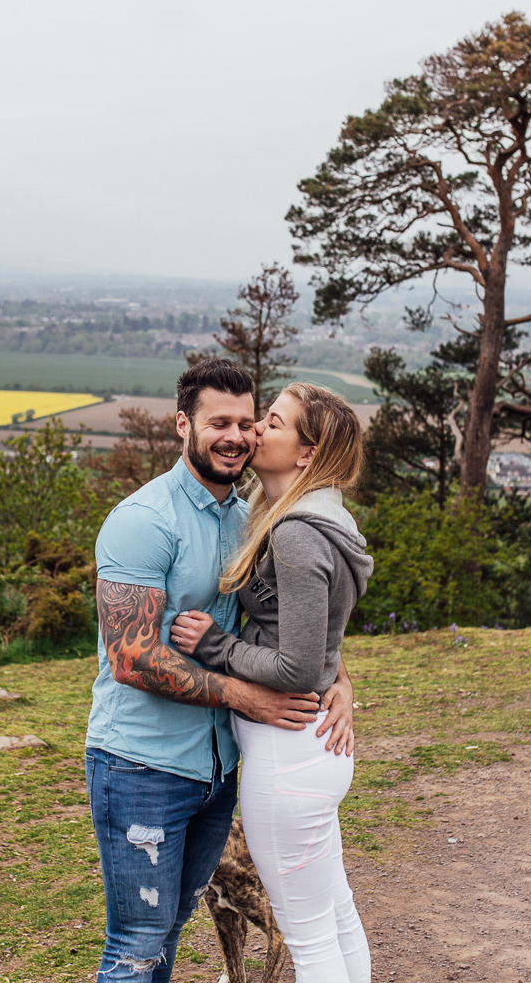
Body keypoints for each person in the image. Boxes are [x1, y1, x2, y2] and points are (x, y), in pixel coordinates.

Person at [86, 358, 356, 983]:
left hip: (219, 768)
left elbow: (297, 623)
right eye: (218, 422)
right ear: (184, 424)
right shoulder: (142, 522)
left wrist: (338, 681)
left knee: (171, 924)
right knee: (137, 940)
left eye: (247, 421)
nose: (236, 435)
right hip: (142, 763)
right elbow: (132, 657)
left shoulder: (253, 514)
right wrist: (247, 696)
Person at [170, 382, 372, 983]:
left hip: (289, 757)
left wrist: (215, 646)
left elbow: (300, 667)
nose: (257, 432)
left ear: (307, 453)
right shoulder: (316, 518)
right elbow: (318, 638)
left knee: (308, 940)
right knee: (335, 918)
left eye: (275, 424)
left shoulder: (296, 534)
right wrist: (343, 679)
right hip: (311, 752)